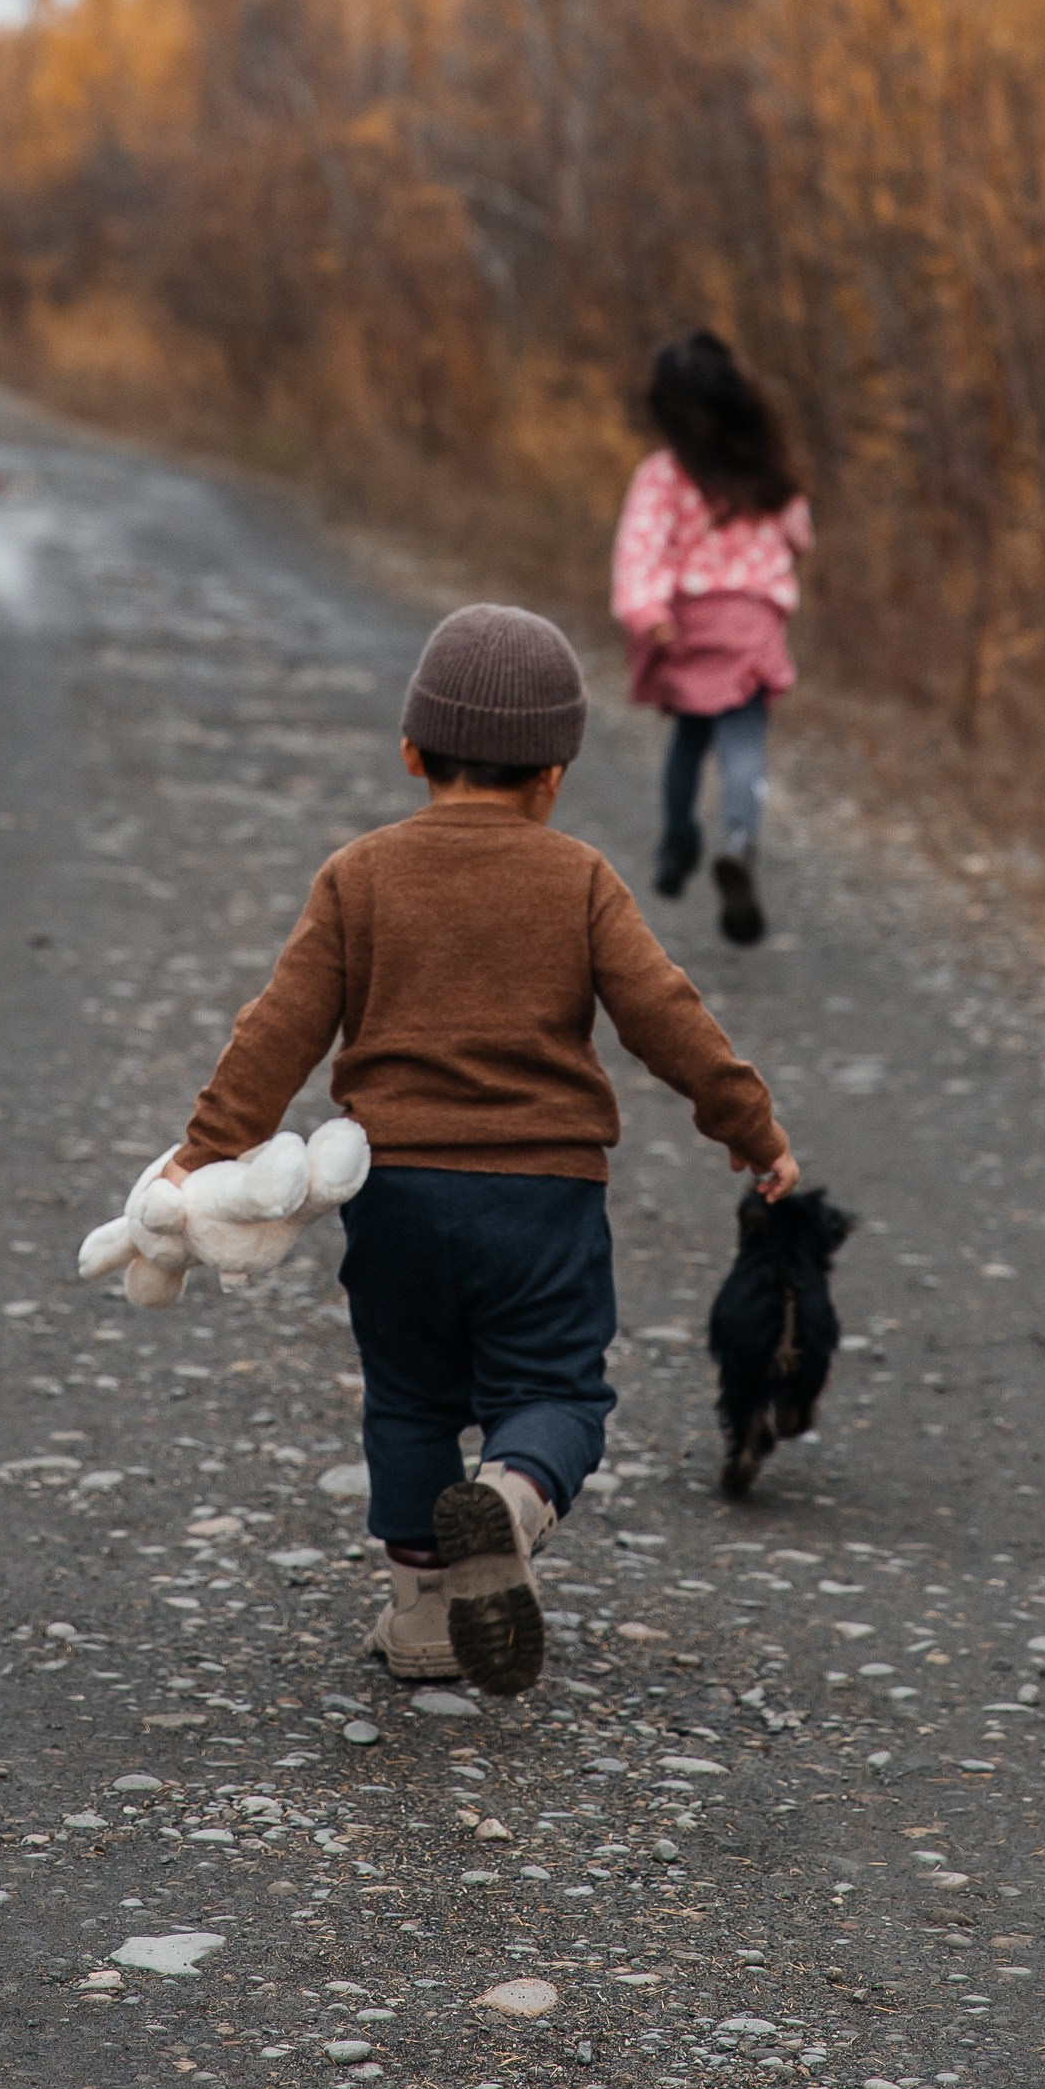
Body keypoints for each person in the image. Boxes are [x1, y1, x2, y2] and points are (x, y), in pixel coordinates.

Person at [155, 601, 796, 1697]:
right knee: (553, 1387)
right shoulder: (579, 878)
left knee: (406, 1399)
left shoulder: (358, 875)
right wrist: (749, 1126)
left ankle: (418, 1617)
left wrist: (198, 1155)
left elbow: (279, 1028)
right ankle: (509, 1496)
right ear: (555, 771)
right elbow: (664, 1012)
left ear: (410, 750)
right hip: (541, 1198)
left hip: (396, 1195)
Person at [613, 330, 812, 946]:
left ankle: (678, 843)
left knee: (689, 736)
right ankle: (739, 841)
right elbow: (799, 533)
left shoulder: (664, 476)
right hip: (750, 622)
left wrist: (645, 610)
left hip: (688, 623)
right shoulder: (767, 471)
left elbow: (639, 548)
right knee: (743, 738)